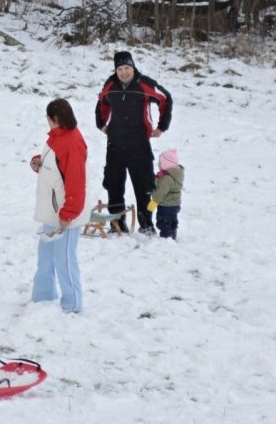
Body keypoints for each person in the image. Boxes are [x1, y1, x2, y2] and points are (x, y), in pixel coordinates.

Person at [95, 51, 173, 234]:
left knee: (144, 187)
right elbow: (101, 102)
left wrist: (162, 126)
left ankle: (146, 225)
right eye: (120, 69)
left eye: (127, 68)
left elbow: (165, 98)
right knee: (113, 185)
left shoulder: (144, 84)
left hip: (139, 144)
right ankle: (117, 224)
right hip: (115, 145)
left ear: (133, 67)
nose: (124, 72)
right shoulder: (110, 84)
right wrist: (101, 124)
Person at [29, 98, 92, 313]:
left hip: (66, 213)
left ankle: (72, 303)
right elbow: (54, 164)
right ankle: (43, 296)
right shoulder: (56, 137)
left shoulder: (72, 142)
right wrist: (38, 161)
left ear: (55, 118)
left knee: (64, 260)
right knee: (46, 258)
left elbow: (76, 181)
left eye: (48, 117)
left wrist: (69, 213)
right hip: (51, 211)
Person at [147, 148, 184, 240]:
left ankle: (166, 238)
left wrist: (154, 202)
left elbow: (161, 192)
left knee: (163, 222)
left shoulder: (167, 178)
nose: (158, 164)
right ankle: (173, 234)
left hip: (166, 205)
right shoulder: (176, 175)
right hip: (175, 204)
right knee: (172, 220)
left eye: (160, 163)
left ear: (167, 164)